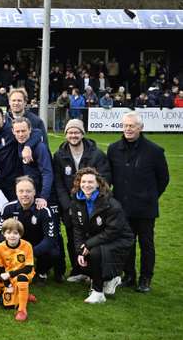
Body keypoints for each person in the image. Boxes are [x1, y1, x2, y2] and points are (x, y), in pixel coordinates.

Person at [107, 112, 169, 292]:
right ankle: (129, 276)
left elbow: (163, 178)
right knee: (127, 243)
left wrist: (150, 196)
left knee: (146, 244)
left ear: (140, 128)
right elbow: (110, 176)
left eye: (132, 126)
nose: (128, 129)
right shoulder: (113, 149)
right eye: (125, 126)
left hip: (145, 208)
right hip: (122, 207)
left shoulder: (154, 150)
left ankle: (145, 278)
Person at [51, 118, 111, 281]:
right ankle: (78, 270)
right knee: (73, 238)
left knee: (93, 237)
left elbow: (105, 178)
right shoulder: (59, 155)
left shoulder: (97, 154)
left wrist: (94, 199)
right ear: (66, 135)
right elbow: (58, 182)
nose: (73, 135)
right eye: (70, 132)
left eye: (77, 132)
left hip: (93, 204)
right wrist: (67, 205)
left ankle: (94, 271)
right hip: (71, 205)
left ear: (82, 134)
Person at [69, 167, 134, 303]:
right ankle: (110, 278)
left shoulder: (110, 203)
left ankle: (98, 292)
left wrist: (88, 244)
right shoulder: (76, 201)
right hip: (98, 238)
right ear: (78, 183)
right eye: (83, 182)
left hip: (119, 238)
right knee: (84, 258)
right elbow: (77, 229)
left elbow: (113, 231)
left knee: (95, 253)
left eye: (91, 182)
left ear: (98, 183)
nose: (86, 185)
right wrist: (80, 250)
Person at [0, 177, 62, 282]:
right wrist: (12, 248)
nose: (24, 194)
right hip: (15, 243)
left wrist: (30, 252)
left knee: (54, 252)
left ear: (34, 192)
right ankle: (7, 270)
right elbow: (1, 233)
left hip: (37, 244)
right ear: (16, 192)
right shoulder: (8, 208)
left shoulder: (44, 210)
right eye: (21, 191)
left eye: (28, 191)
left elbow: (50, 239)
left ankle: (41, 272)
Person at [0, 218, 36, 321]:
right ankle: (25, 295)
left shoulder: (27, 246)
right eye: (8, 233)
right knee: (7, 305)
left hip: (25, 274)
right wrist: (7, 285)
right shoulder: (0, 248)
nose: (12, 236)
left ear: (20, 234)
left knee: (21, 278)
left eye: (15, 233)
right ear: (4, 234)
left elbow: (28, 268)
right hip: (9, 277)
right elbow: (0, 269)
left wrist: (10, 274)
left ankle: (22, 310)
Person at [12, 118, 53, 206]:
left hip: (39, 194)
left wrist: (43, 197)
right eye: (17, 131)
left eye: (23, 131)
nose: (21, 134)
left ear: (30, 130)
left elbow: (47, 173)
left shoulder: (40, 148)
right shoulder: (17, 142)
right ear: (13, 131)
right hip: (25, 192)